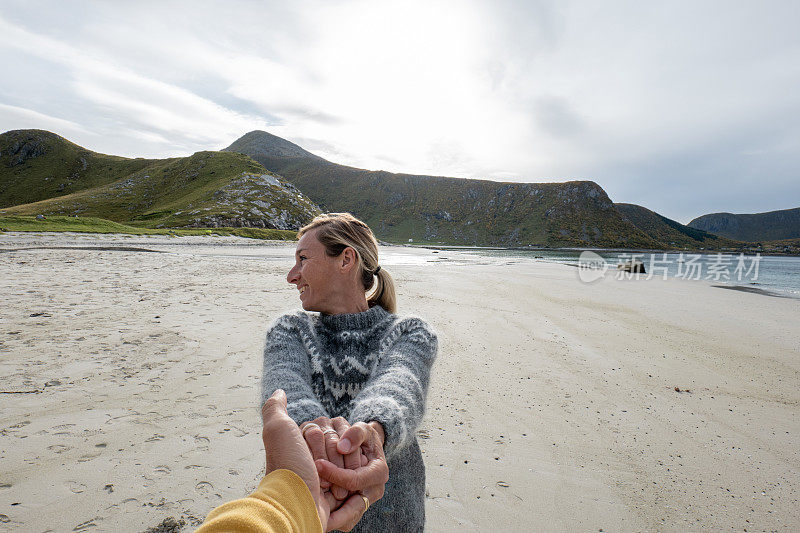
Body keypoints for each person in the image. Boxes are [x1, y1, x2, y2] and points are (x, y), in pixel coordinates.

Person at [261, 213, 438, 532]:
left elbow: (400, 385)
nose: (292, 275)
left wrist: (375, 430)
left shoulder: (410, 332)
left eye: (302, 259)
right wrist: (317, 434)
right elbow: (287, 388)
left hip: (395, 519)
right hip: (310, 514)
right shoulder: (290, 330)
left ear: (346, 259)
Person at [197, 389, 390, 532]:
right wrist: (316, 435)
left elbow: (403, 378)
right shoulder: (286, 332)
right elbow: (287, 379)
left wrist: (374, 430)